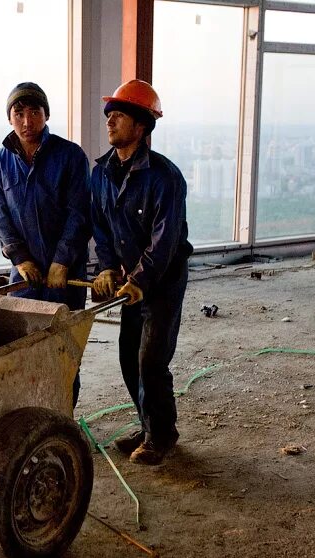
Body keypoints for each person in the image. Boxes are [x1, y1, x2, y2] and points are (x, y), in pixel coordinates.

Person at [90, 79, 193, 465]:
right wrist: (107, 269)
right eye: (109, 114)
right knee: (128, 358)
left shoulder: (165, 178)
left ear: (142, 125)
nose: (110, 120)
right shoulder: (101, 174)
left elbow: (165, 239)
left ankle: (162, 437)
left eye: (119, 115)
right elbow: (100, 226)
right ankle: (149, 425)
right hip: (132, 280)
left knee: (151, 361)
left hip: (162, 281)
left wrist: (140, 280)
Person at [0, 82, 91, 404]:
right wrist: (20, 258)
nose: (26, 120)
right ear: (9, 119)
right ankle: (30, 417)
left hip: (65, 272)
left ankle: (63, 418)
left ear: (46, 115)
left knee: (64, 349)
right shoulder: (0, 160)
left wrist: (62, 261)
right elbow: (1, 214)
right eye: (18, 113)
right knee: (21, 347)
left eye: (35, 112)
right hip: (25, 274)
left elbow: (79, 213)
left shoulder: (69, 156)